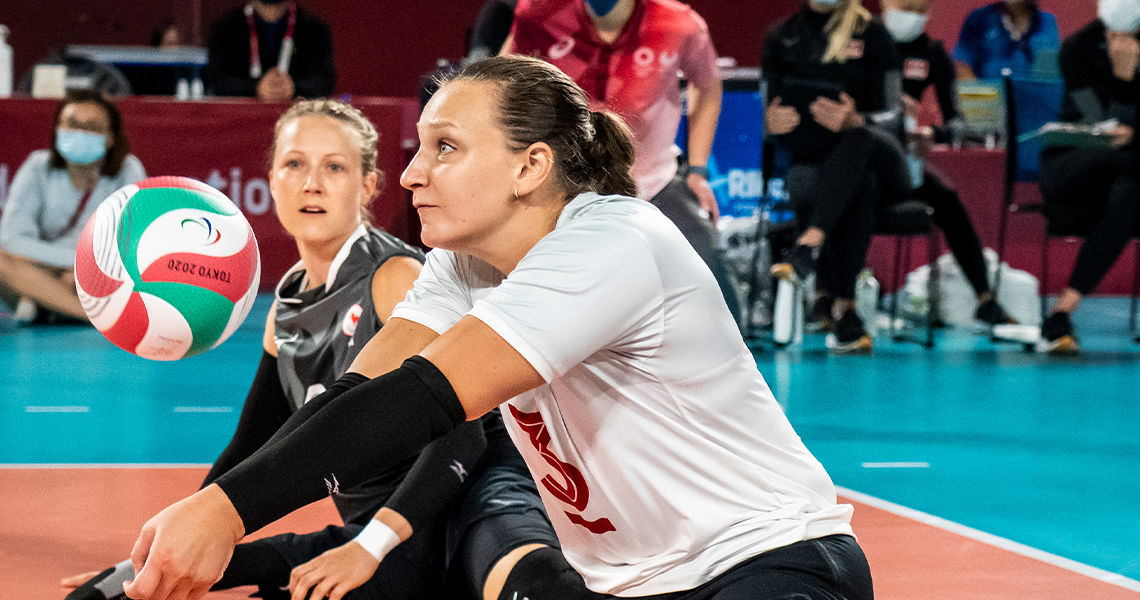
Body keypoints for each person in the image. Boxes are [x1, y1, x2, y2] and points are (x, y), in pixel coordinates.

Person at [115, 55, 872, 600]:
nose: (412, 174)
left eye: (444, 147)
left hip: (771, 566)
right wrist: (210, 519)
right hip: (634, 586)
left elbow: (422, 400)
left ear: (530, 166)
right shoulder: (466, 267)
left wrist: (225, 512)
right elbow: (355, 398)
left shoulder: (614, 241)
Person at [61, 98, 588, 600]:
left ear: (368, 186)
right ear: (270, 182)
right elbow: (251, 446)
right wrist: (175, 542)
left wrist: (370, 546)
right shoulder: (286, 302)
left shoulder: (396, 277)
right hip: (376, 531)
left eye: (334, 168)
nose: (311, 183)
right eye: (294, 164)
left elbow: (463, 439)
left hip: (471, 498)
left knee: (528, 587)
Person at [501, 0, 740, 320]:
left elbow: (708, 86)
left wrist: (697, 170)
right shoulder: (540, 14)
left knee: (711, 277)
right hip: (565, 186)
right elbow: (502, 87)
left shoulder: (680, 24)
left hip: (654, 183)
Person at [762, 0, 908, 353]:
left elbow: (895, 115)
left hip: (882, 155)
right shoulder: (781, 36)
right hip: (816, 160)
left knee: (858, 145)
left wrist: (857, 121)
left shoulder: (874, 35)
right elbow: (765, 115)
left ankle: (812, 250)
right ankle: (845, 311)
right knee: (850, 185)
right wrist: (770, 124)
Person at [881, 0, 1016, 327]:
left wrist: (931, 131)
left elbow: (958, 122)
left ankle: (985, 298)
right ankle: (832, 300)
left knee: (948, 201)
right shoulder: (865, 43)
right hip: (859, 162)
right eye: (905, 6)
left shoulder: (931, 53)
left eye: (919, 8)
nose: (911, 15)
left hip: (902, 166)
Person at [0, 89, 146, 325]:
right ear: (58, 129)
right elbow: (10, 240)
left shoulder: (128, 170)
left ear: (110, 137)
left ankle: (41, 302)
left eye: (91, 127)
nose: (79, 133)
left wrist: (78, 269)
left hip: (99, 271)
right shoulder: (37, 167)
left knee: (77, 279)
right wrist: (69, 262)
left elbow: (128, 243)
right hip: (45, 267)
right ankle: (88, 315)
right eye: (71, 124)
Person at [1036, 0, 1140, 355]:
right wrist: (1124, 79)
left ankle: (1063, 310)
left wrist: (1127, 79)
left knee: (1130, 192)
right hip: (1074, 169)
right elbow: (1105, 127)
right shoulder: (1078, 48)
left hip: (1125, 181)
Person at [205, 0, 336, 101]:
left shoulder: (315, 31)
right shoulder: (225, 30)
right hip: (240, 122)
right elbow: (217, 82)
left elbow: (325, 83)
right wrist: (256, 88)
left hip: (299, 122)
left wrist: (294, 87)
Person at [952, 0, 1060, 80]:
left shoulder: (1046, 23)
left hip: (1034, 103)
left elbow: (1051, 76)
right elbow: (962, 67)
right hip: (988, 105)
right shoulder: (978, 19)